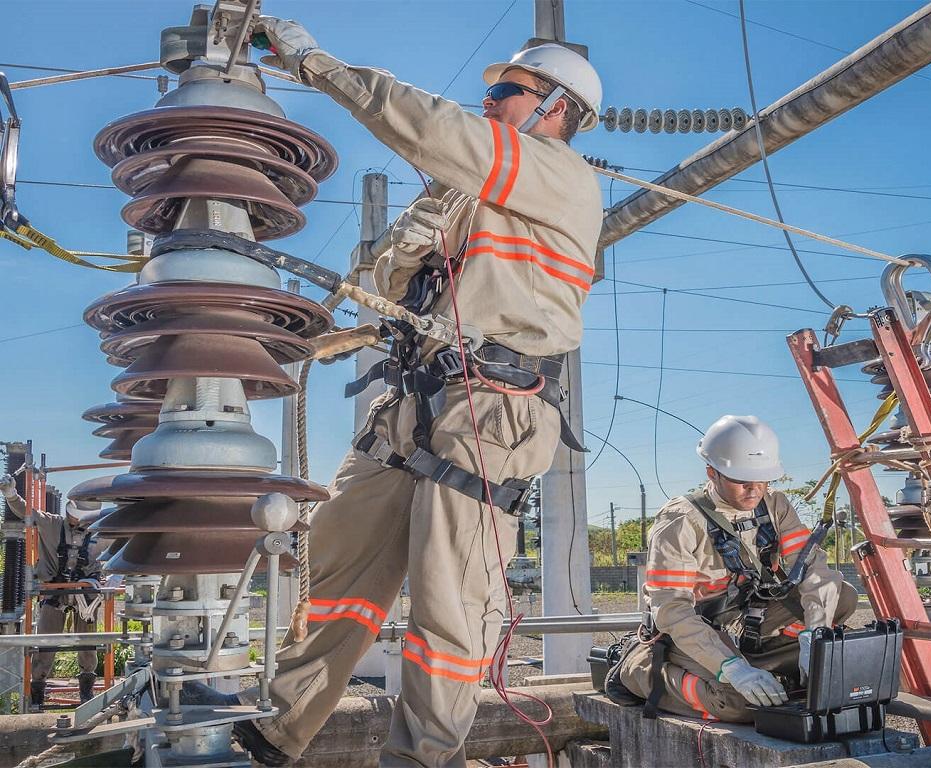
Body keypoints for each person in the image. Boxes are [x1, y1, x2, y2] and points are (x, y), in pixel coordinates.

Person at [185, 18, 605, 767]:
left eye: (509, 89)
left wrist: (316, 64)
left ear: (556, 109)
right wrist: (418, 231)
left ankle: (421, 759)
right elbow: (377, 280)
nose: (493, 99)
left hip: (490, 407)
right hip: (416, 402)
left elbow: (427, 126)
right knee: (340, 564)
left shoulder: (556, 173)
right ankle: (282, 730)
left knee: (448, 611)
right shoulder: (462, 194)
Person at [604, 415, 859, 721]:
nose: (754, 490)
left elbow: (814, 571)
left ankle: (765, 664)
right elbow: (672, 610)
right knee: (739, 705)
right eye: (742, 481)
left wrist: (812, 636)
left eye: (763, 480)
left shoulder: (775, 505)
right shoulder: (681, 521)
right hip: (691, 630)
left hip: (746, 619)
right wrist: (731, 669)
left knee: (841, 597)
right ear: (712, 472)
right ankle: (639, 671)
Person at [1, 474, 107, 708]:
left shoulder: (100, 532)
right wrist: (11, 495)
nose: (76, 521)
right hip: (53, 592)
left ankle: (86, 692)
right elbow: (27, 512)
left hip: (85, 598)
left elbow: (122, 543)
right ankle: (37, 694)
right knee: (46, 644)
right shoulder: (52, 523)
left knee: (87, 644)